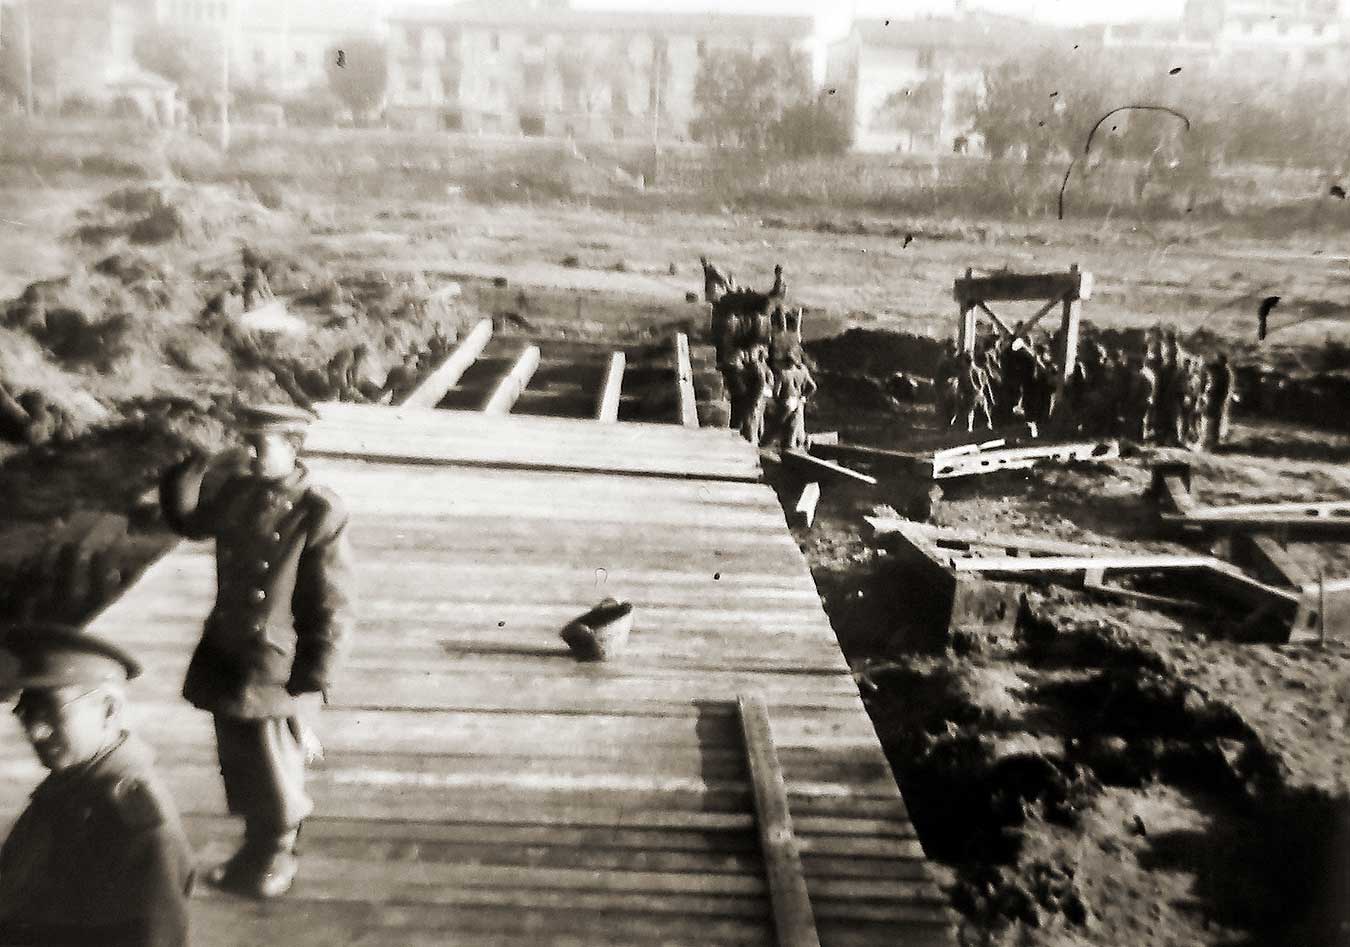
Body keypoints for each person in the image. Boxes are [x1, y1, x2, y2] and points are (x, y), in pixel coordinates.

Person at [158, 402, 355, 899]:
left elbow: (331, 601)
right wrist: (190, 467)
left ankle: (278, 851)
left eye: (260, 444)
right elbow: (190, 523)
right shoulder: (238, 492)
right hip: (229, 647)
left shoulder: (317, 509)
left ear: (292, 447)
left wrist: (317, 673)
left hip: (275, 658)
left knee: (273, 761)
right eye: (245, 441)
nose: (247, 452)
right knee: (238, 756)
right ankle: (254, 847)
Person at [0, 624, 195, 945]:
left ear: (109, 710)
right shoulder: (71, 787)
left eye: (50, 713)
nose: (36, 732)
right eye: (26, 714)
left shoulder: (135, 824)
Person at [774, 352, 817, 450]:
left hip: (787, 400)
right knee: (794, 426)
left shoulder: (783, 373)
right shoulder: (802, 372)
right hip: (798, 401)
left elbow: (776, 392)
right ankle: (793, 447)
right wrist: (804, 397)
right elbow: (813, 387)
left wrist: (778, 402)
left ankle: (772, 446)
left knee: (780, 426)